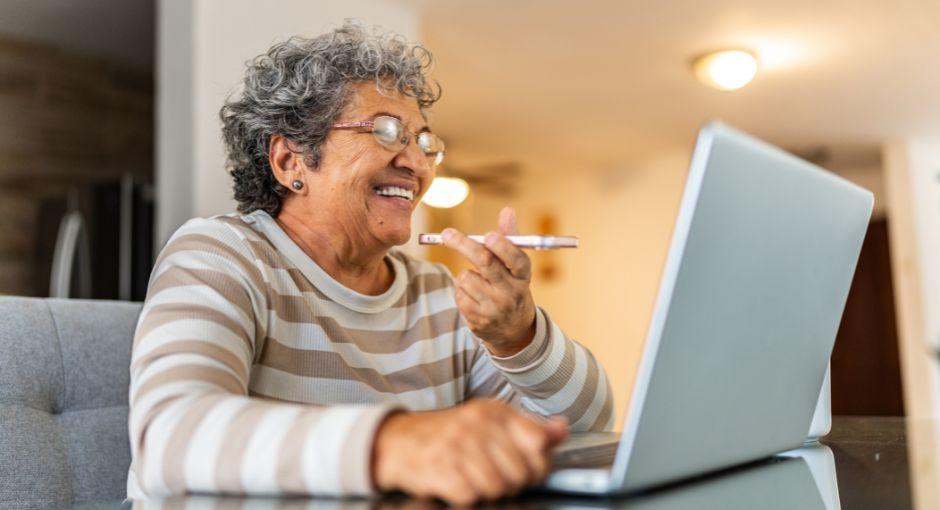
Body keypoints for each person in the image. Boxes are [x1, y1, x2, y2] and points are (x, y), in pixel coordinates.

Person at [127, 22, 613, 506]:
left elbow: (586, 426)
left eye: (425, 143)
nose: (417, 164)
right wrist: (398, 442)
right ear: (290, 161)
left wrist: (520, 336)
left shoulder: (436, 294)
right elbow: (170, 435)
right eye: (386, 132)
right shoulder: (223, 255)